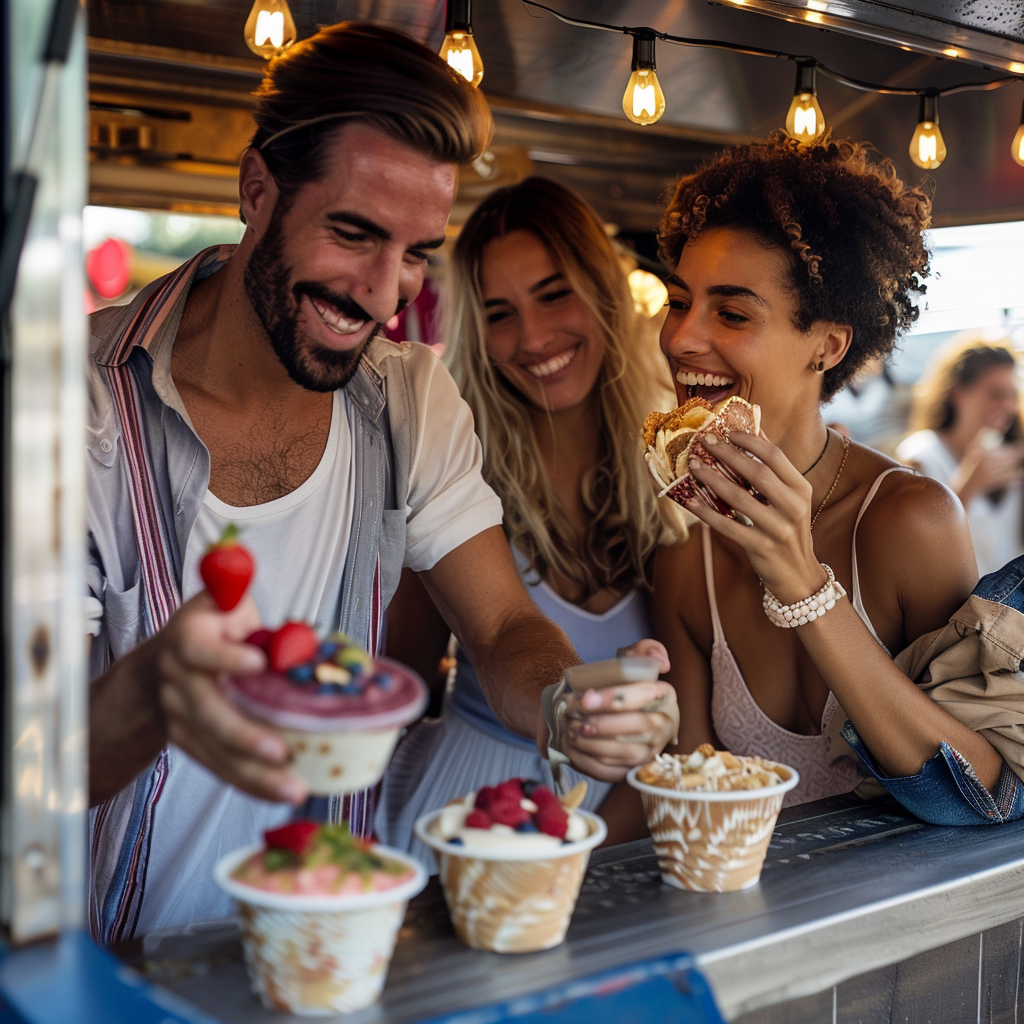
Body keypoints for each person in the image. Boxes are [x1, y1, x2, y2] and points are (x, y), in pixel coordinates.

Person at [84, 25, 677, 943]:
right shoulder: (76, 411)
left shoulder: (410, 398)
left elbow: (506, 629)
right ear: (257, 190)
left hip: (332, 949)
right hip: (109, 965)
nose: (382, 292)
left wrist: (570, 705)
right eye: (354, 234)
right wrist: (151, 694)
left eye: (414, 254)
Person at [649, 133, 1024, 835]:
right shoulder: (681, 561)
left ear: (828, 344)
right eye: (679, 302)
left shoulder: (911, 521)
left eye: (731, 313)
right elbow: (693, 807)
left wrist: (800, 582)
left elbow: (987, 786)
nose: (682, 338)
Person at [377, 177, 680, 862]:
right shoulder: (454, 467)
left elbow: (708, 707)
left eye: (553, 293)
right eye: (500, 312)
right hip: (470, 817)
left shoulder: (672, 462)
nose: (534, 336)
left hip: (635, 831)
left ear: (603, 288)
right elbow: (402, 679)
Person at [896, 335, 1024, 576]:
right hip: (959, 607)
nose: (1007, 405)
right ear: (958, 392)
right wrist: (969, 483)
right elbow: (912, 547)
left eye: (1012, 395)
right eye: (996, 394)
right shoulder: (921, 454)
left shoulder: (1014, 453)